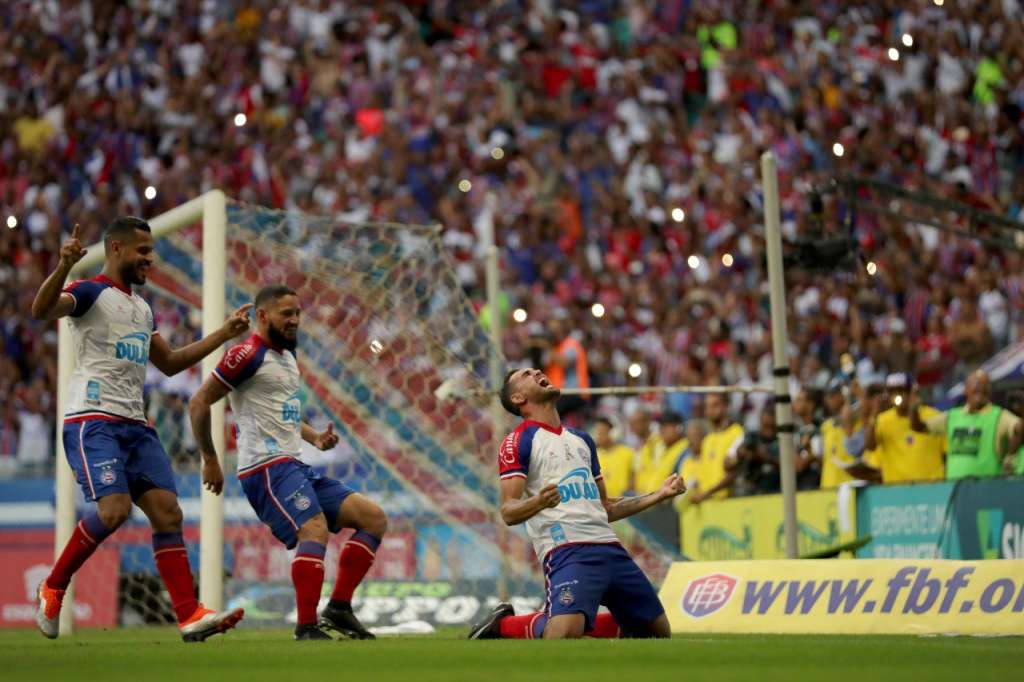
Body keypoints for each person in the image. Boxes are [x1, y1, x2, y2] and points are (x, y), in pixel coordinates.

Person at [30, 218, 250, 641]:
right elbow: (41, 311)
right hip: (93, 420)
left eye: (151, 250)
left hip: (135, 425)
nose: (150, 258)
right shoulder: (90, 292)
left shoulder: (141, 308)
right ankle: (54, 585)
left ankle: (187, 614)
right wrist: (62, 268)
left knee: (168, 513)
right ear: (116, 249)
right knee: (114, 511)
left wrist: (222, 333)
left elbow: (167, 363)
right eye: (143, 250)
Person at [188, 284, 389, 641]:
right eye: (287, 314)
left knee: (372, 518)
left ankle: (339, 609)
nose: (295, 320)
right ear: (262, 316)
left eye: (297, 313)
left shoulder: (286, 357)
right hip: (265, 468)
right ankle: (306, 627)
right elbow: (200, 402)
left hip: (294, 465)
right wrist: (209, 459)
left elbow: (280, 415)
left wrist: (315, 438)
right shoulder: (246, 354)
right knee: (313, 529)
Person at [468, 367, 686, 640]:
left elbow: (604, 508)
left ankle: (590, 621)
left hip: (611, 548)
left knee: (657, 634)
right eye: (526, 375)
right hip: (567, 551)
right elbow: (508, 512)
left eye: (535, 370)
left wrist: (659, 495)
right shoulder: (518, 441)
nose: (536, 371)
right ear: (518, 399)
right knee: (563, 633)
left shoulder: (582, 440)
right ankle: (503, 625)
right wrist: (539, 501)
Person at [910, 370, 1023, 479]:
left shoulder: (1000, 416)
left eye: (985, 385)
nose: (980, 387)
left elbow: (1018, 429)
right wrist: (913, 409)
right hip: (955, 490)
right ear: (965, 390)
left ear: (990, 391)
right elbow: (919, 427)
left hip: (988, 489)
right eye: (975, 384)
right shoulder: (952, 416)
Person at [861, 373, 945, 483]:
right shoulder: (882, 420)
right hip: (897, 490)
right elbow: (870, 446)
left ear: (912, 392)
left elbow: (946, 453)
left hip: (931, 487)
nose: (897, 396)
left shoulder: (933, 416)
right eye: (892, 392)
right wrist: (874, 415)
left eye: (902, 391)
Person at [682, 393, 743, 503]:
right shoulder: (707, 439)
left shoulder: (737, 433)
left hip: (727, 502)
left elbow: (734, 473)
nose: (709, 410)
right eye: (707, 406)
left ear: (726, 407)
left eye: (715, 405)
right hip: (707, 503)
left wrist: (708, 493)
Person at [633, 412, 689, 495]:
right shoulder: (663, 449)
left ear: (679, 428)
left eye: (666, 426)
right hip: (654, 499)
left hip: (668, 502)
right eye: (661, 426)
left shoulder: (685, 448)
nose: (662, 430)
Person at [732, 407, 780, 497]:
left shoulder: (781, 440)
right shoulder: (752, 436)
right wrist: (753, 455)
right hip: (752, 485)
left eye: (772, 427)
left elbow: (789, 465)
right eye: (766, 426)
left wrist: (768, 458)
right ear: (760, 422)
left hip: (774, 488)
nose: (769, 431)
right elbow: (739, 451)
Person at [592, 417, 634, 498]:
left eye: (602, 431)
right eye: (597, 432)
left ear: (614, 432)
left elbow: (633, 478)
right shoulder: (593, 455)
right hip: (602, 503)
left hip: (624, 502)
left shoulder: (627, 453)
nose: (599, 435)